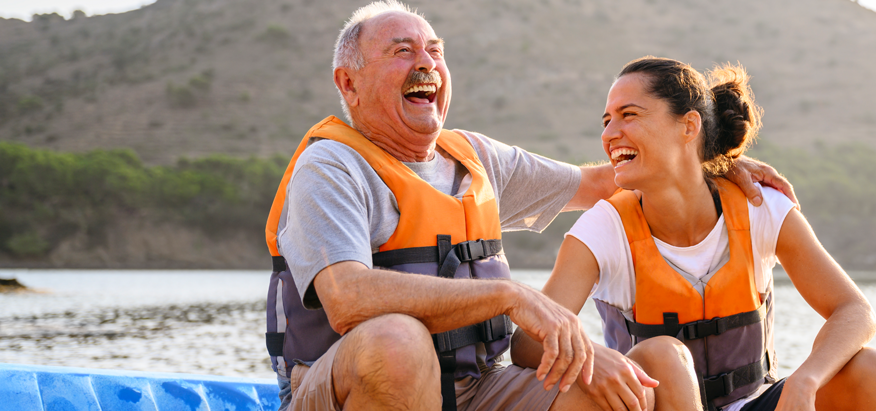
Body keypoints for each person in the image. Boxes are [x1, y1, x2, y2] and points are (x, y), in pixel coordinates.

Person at [262, 2, 795, 410]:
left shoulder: (477, 159)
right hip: (345, 382)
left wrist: (707, 164)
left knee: (618, 391)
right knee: (397, 342)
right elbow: (348, 298)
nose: (426, 63)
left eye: (435, 51)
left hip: (479, 386)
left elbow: (604, 182)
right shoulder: (331, 168)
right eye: (402, 51)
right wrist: (508, 296)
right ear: (348, 83)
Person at [515, 56, 876, 411]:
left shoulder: (759, 207)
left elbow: (855, 311)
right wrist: (595, 359)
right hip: (657, 403)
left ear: (689, 126)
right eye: (606, 121)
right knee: (664, 354)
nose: (609, 134)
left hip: (754, 401)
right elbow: (528, 342)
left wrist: (807, 379)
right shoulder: (604, 229)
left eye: (628, 115)